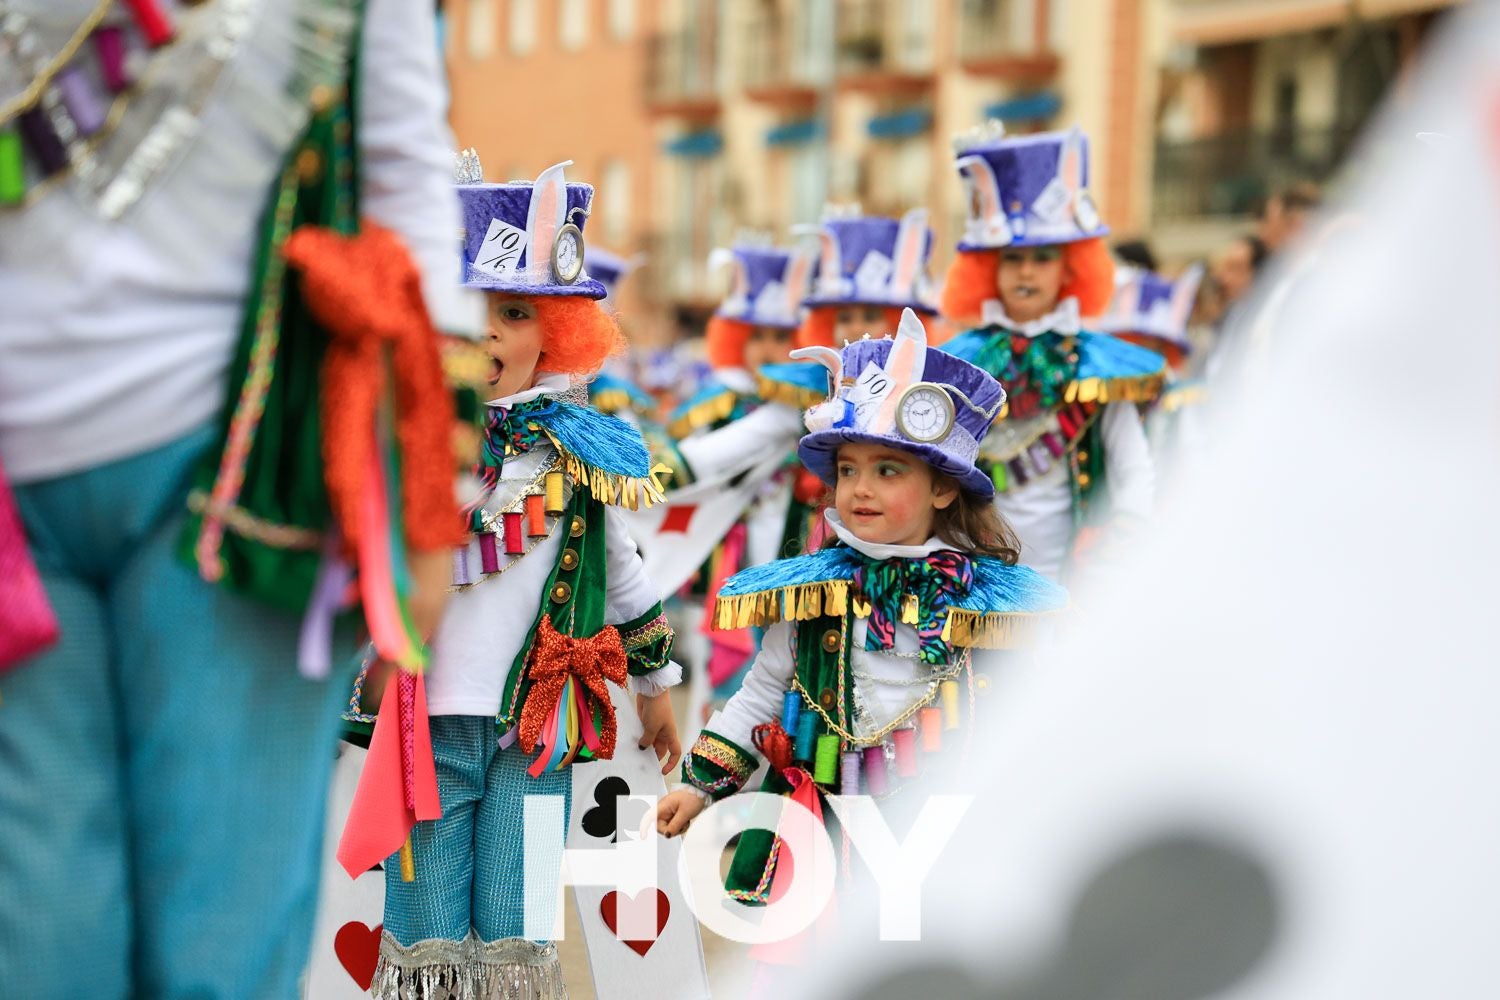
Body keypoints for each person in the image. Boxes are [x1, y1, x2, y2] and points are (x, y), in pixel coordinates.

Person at [0, 1, 473, 995]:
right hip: (13, 501)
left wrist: (434, 503)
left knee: (218, 958)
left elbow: (407, 179)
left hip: (246, 472)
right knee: (39, 949)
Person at [337, 158, 682, 996]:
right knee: (423, 933)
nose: (489, 333)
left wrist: (656, 684)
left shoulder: (579, 450)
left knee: (520, 927)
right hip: (422, 731)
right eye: (468, 309)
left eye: (515, 312)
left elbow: (623, 573)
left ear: (555, 334)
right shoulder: (394, 438)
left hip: (540, 731)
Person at [654, 310, 1067, 905]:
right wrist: (699, 788)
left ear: (943, 488)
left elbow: (1029, 715)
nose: (860, 488)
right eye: (848, 470)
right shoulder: (813, 592)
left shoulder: (994, 603)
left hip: (939, 833)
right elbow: (761, 694)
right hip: (824, 831)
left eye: (888, 470)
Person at [938, 123, 1165, 581]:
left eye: (1043, 258)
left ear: (1069, 269)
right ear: (987, 268)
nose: (1027, 272)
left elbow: (1132, 463)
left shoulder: (1099, 366)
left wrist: (1127, 534)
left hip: (1071, 582)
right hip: (971, 580)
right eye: (1012, 258)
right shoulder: (955, 362)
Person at [794, 206, 940, 349]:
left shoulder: (926, 367)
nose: (856, 329)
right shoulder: (822, 366)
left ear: (901, 326)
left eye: (871, 317)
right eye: (844, 319)